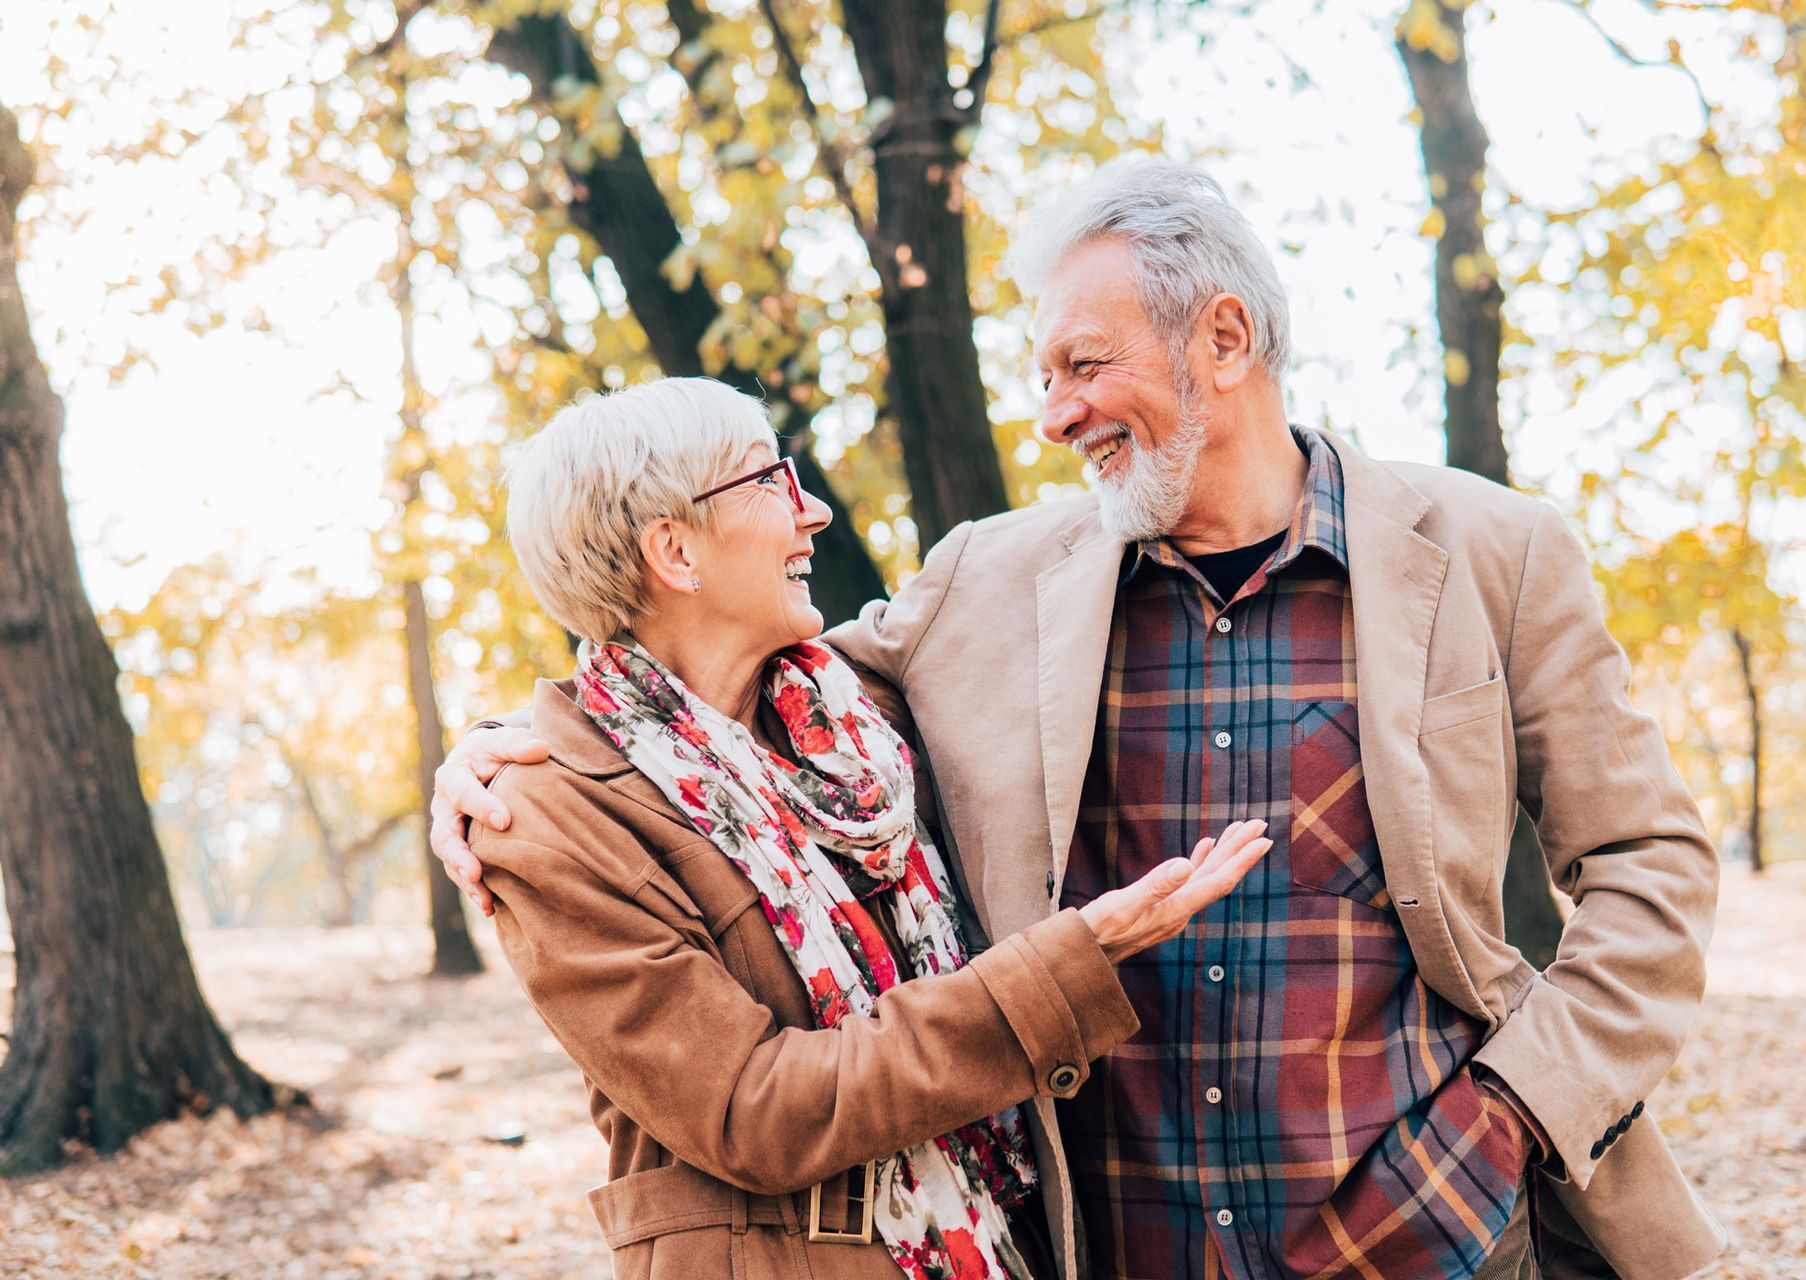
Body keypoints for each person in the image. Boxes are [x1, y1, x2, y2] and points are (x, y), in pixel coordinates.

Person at [436, 160, 1724, 1279]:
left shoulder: (1496, 554)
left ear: (1224, 340)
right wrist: (493, 757)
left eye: (1084, 364)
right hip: (1106, 1244)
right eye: (1044, 373)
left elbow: (1650, 865)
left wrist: (1507, 1113)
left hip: (1437, 1238)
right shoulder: (985, 584)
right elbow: (710, 691)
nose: (1053, 413)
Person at [464, 375, 1276, 1280]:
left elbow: (1028, 561)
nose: (813, 513)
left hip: (1001, 1241)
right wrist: (1075, 958)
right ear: (675, 552)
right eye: (769, 482)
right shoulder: (542, 819)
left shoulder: (859, 724)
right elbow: (752, 1110)